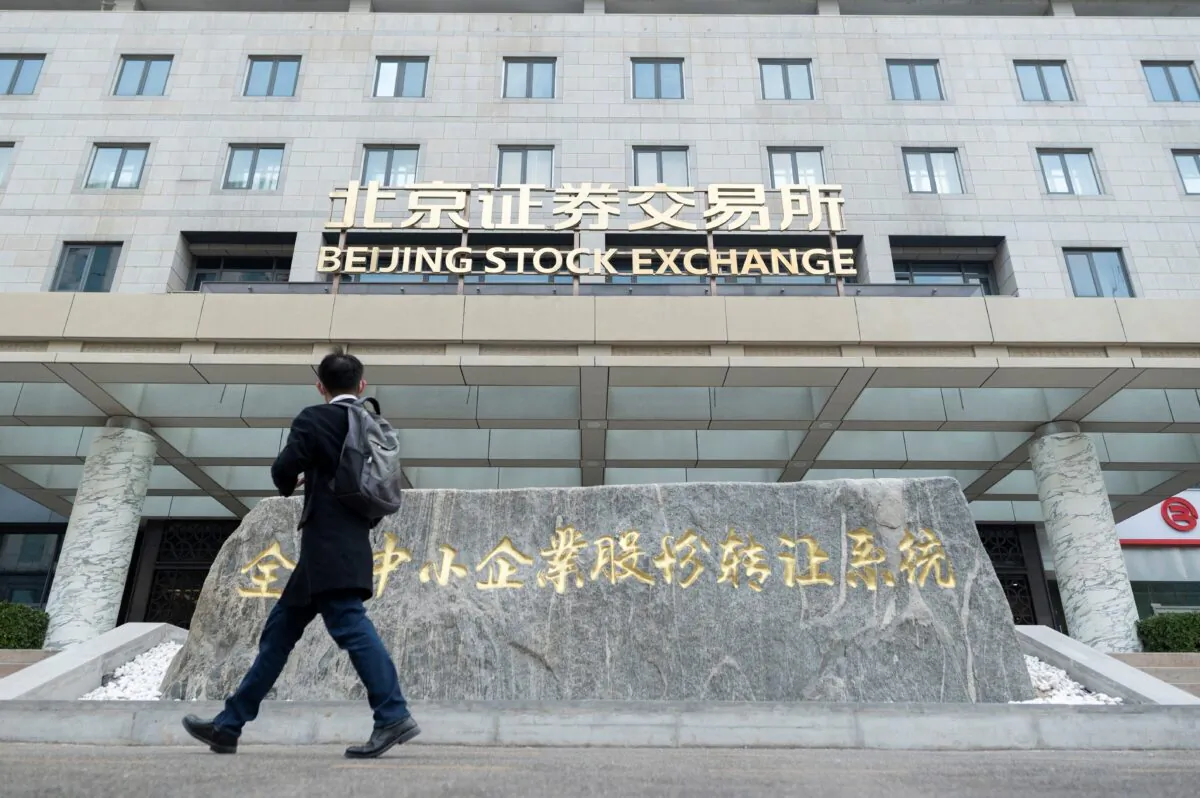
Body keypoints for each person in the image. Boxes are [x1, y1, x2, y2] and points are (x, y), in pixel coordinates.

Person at [182, 349, 418, 759]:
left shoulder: (314, 418)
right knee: (277, 637)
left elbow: (283, 469)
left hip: (326, 546)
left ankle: (393, 715)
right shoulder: (370, 424)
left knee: (351, 627)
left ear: (320, 386)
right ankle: (228, 726)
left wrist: (295, 477)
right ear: (362, 385)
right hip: (339, 547)